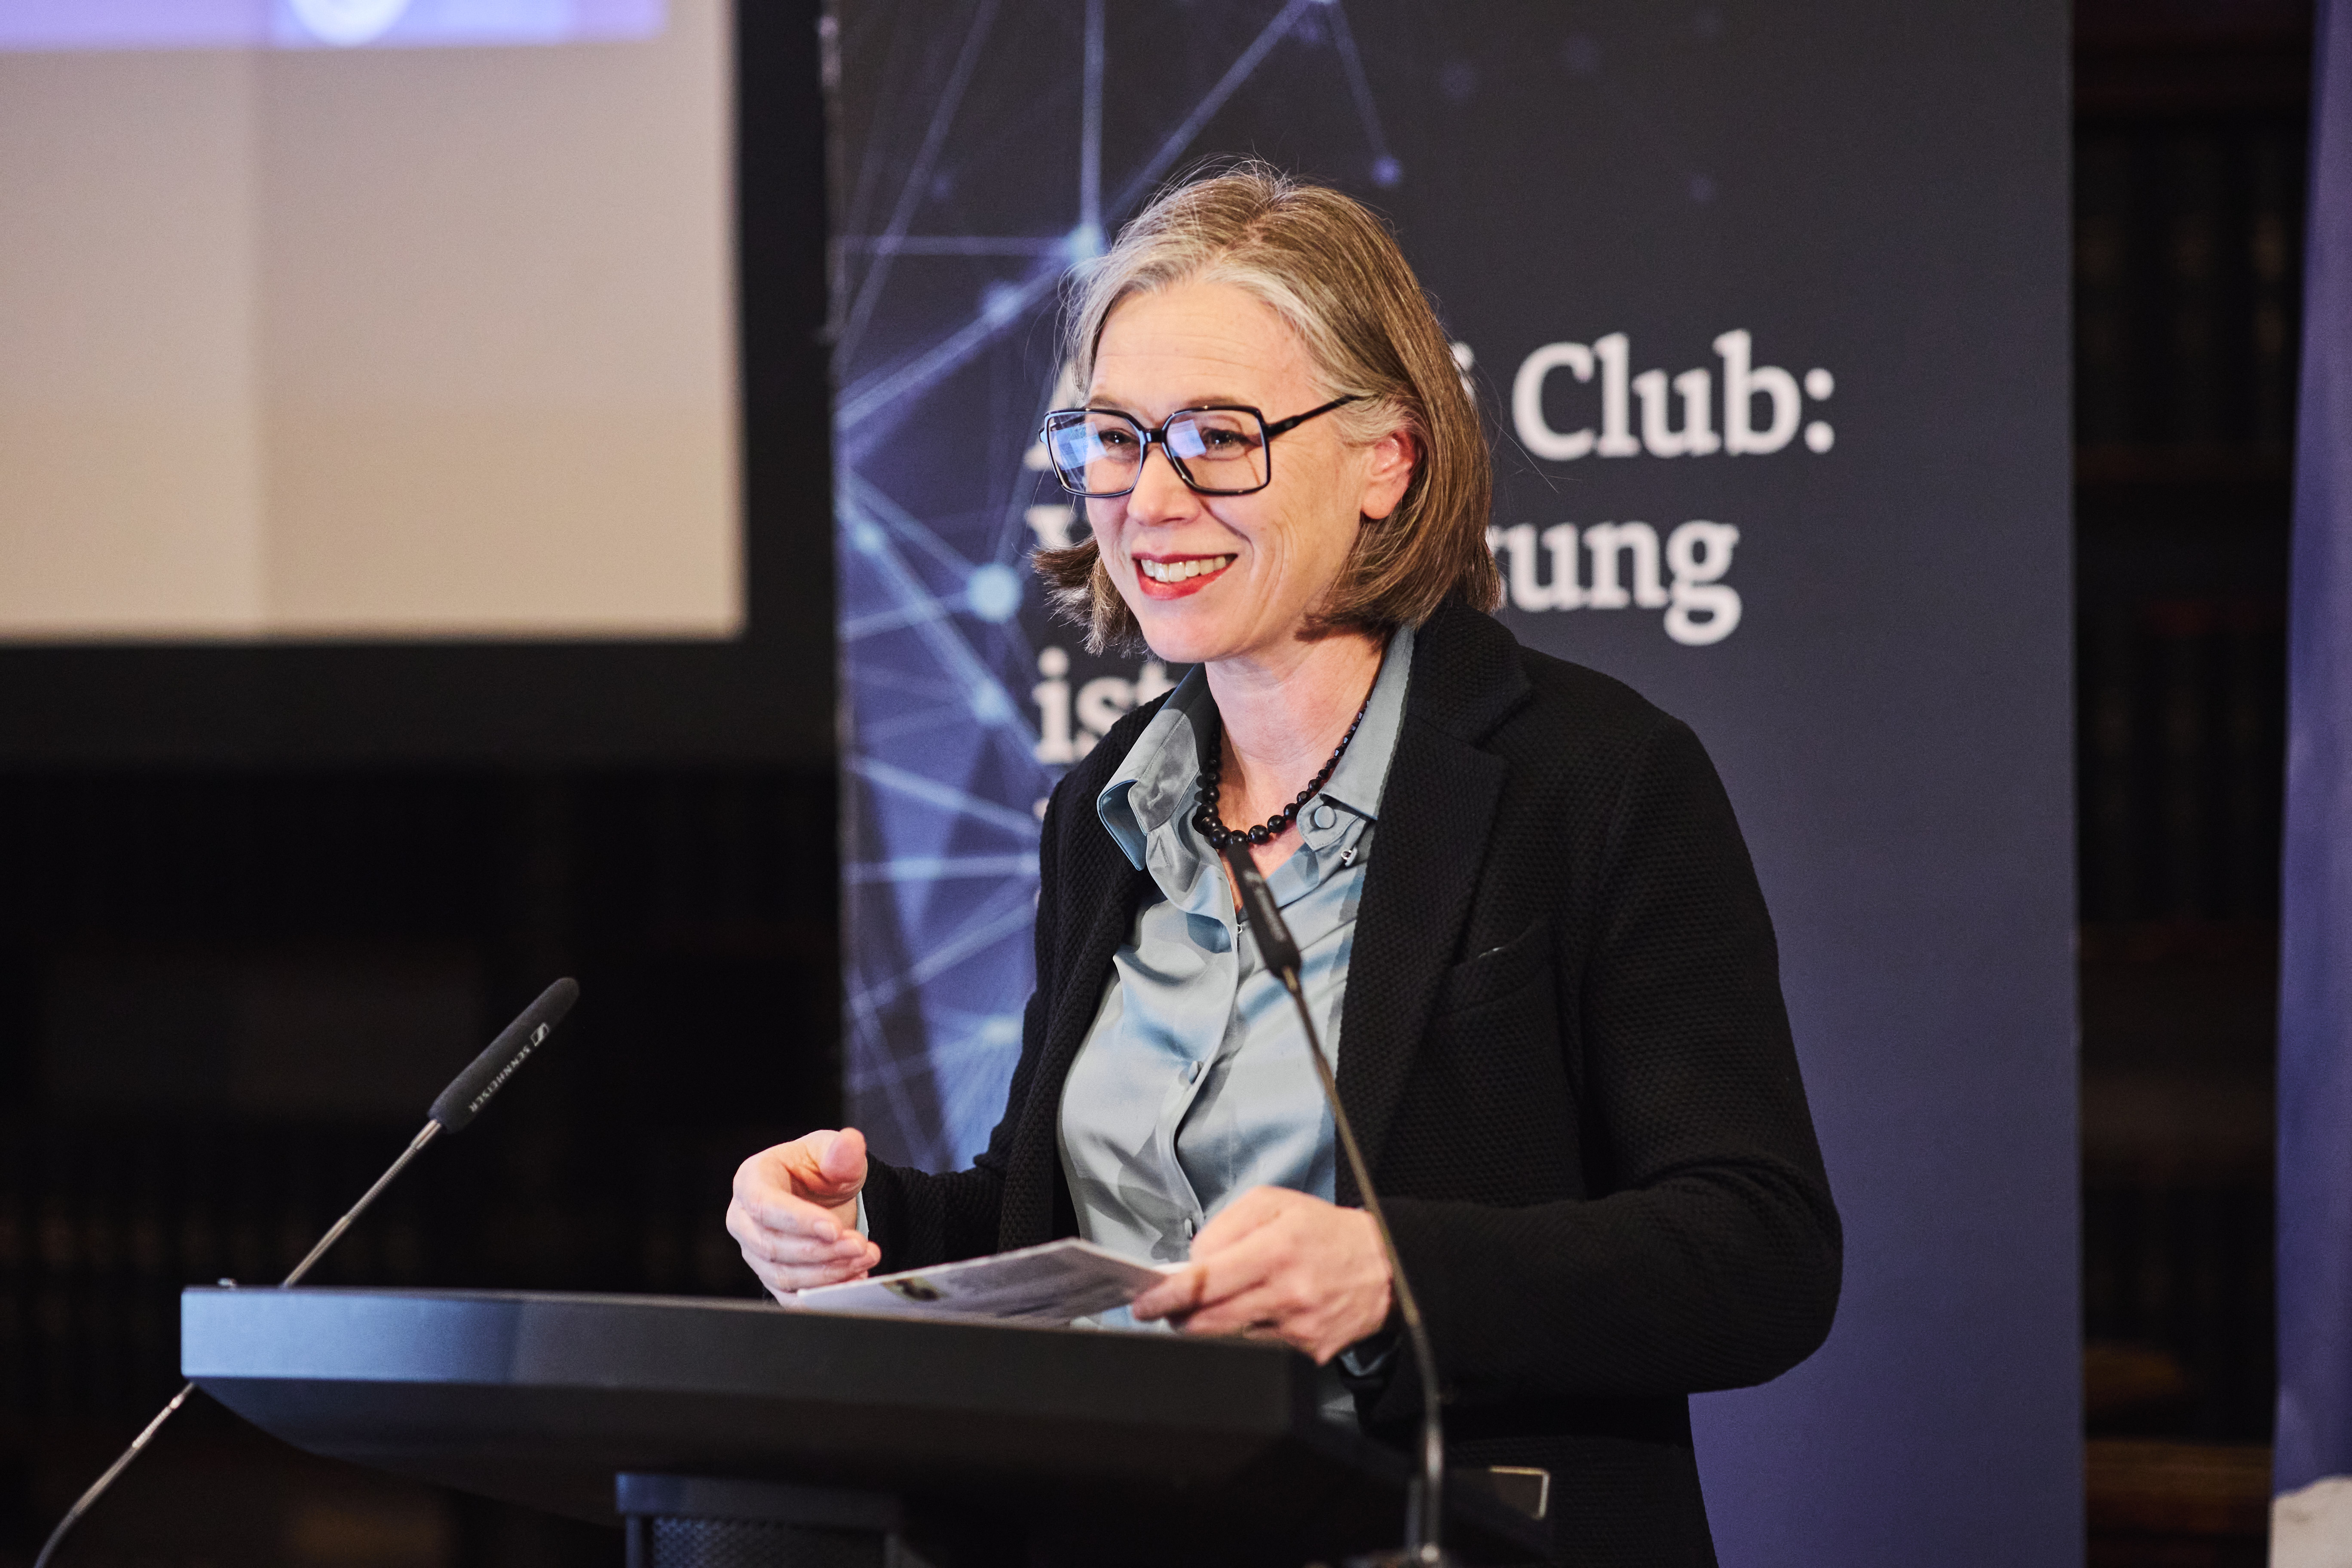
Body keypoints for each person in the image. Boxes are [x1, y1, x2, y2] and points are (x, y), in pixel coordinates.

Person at [729, 163, 1841, 1566]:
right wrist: (867, 1230)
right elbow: (1061, 1213)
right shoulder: (1104, 812)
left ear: (1389, 460)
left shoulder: (1595, 781)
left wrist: (1392, 1274)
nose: (1152, 497)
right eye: (1114, 438)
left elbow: (1759, 1252)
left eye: (1218, 436)